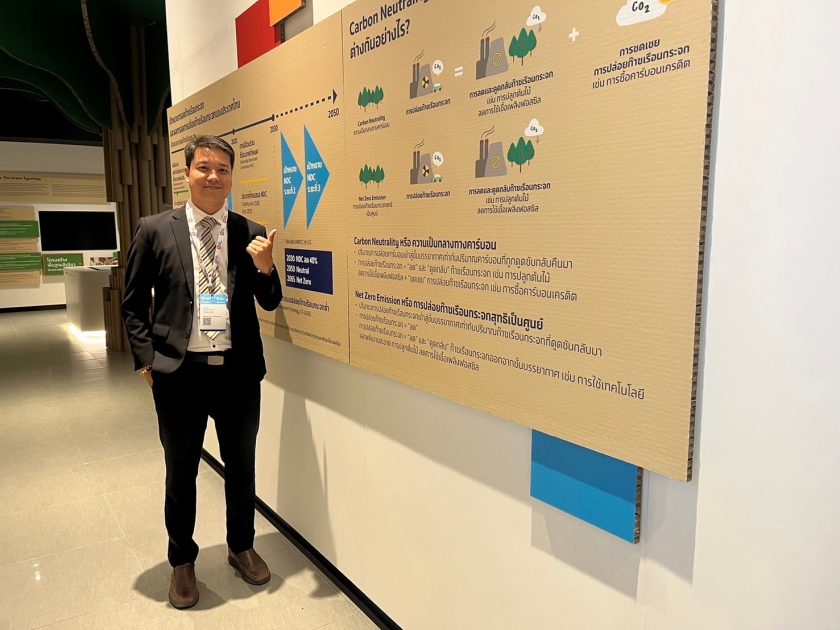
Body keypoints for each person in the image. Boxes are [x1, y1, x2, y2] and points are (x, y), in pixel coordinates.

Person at [122, 134, 283, 609]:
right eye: (204, 167)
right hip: (180, 374)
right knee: (181, 473)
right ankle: (182, 560)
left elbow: (270, 301)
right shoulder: (155, 229)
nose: (214, 176)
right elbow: (133, 303)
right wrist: (147, 360)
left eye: (223, 169)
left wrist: (266, 268)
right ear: (187, 173)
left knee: (242, 468)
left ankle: (241, 546)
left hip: (237, 374)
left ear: (232, 177)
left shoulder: (250, 230)